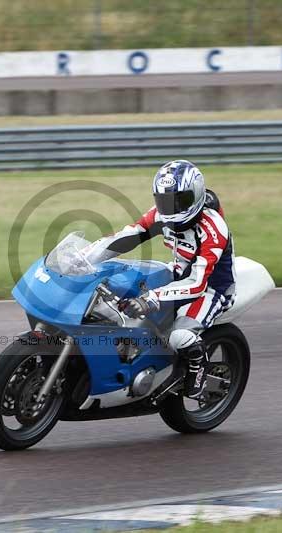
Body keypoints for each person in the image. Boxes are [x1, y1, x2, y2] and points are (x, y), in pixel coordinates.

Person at [85, 160, 236, 399]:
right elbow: (128, 236)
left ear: (196, 195)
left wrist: (151, 298)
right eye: (165, 201)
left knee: (180, 336)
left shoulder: (212, 229)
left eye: (180, 201)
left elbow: (197, 283)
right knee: (117, 293)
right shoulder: (160, 216)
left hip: (211, 288)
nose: (172, 208)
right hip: (176, 273)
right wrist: (84, 258)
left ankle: (199, 371)